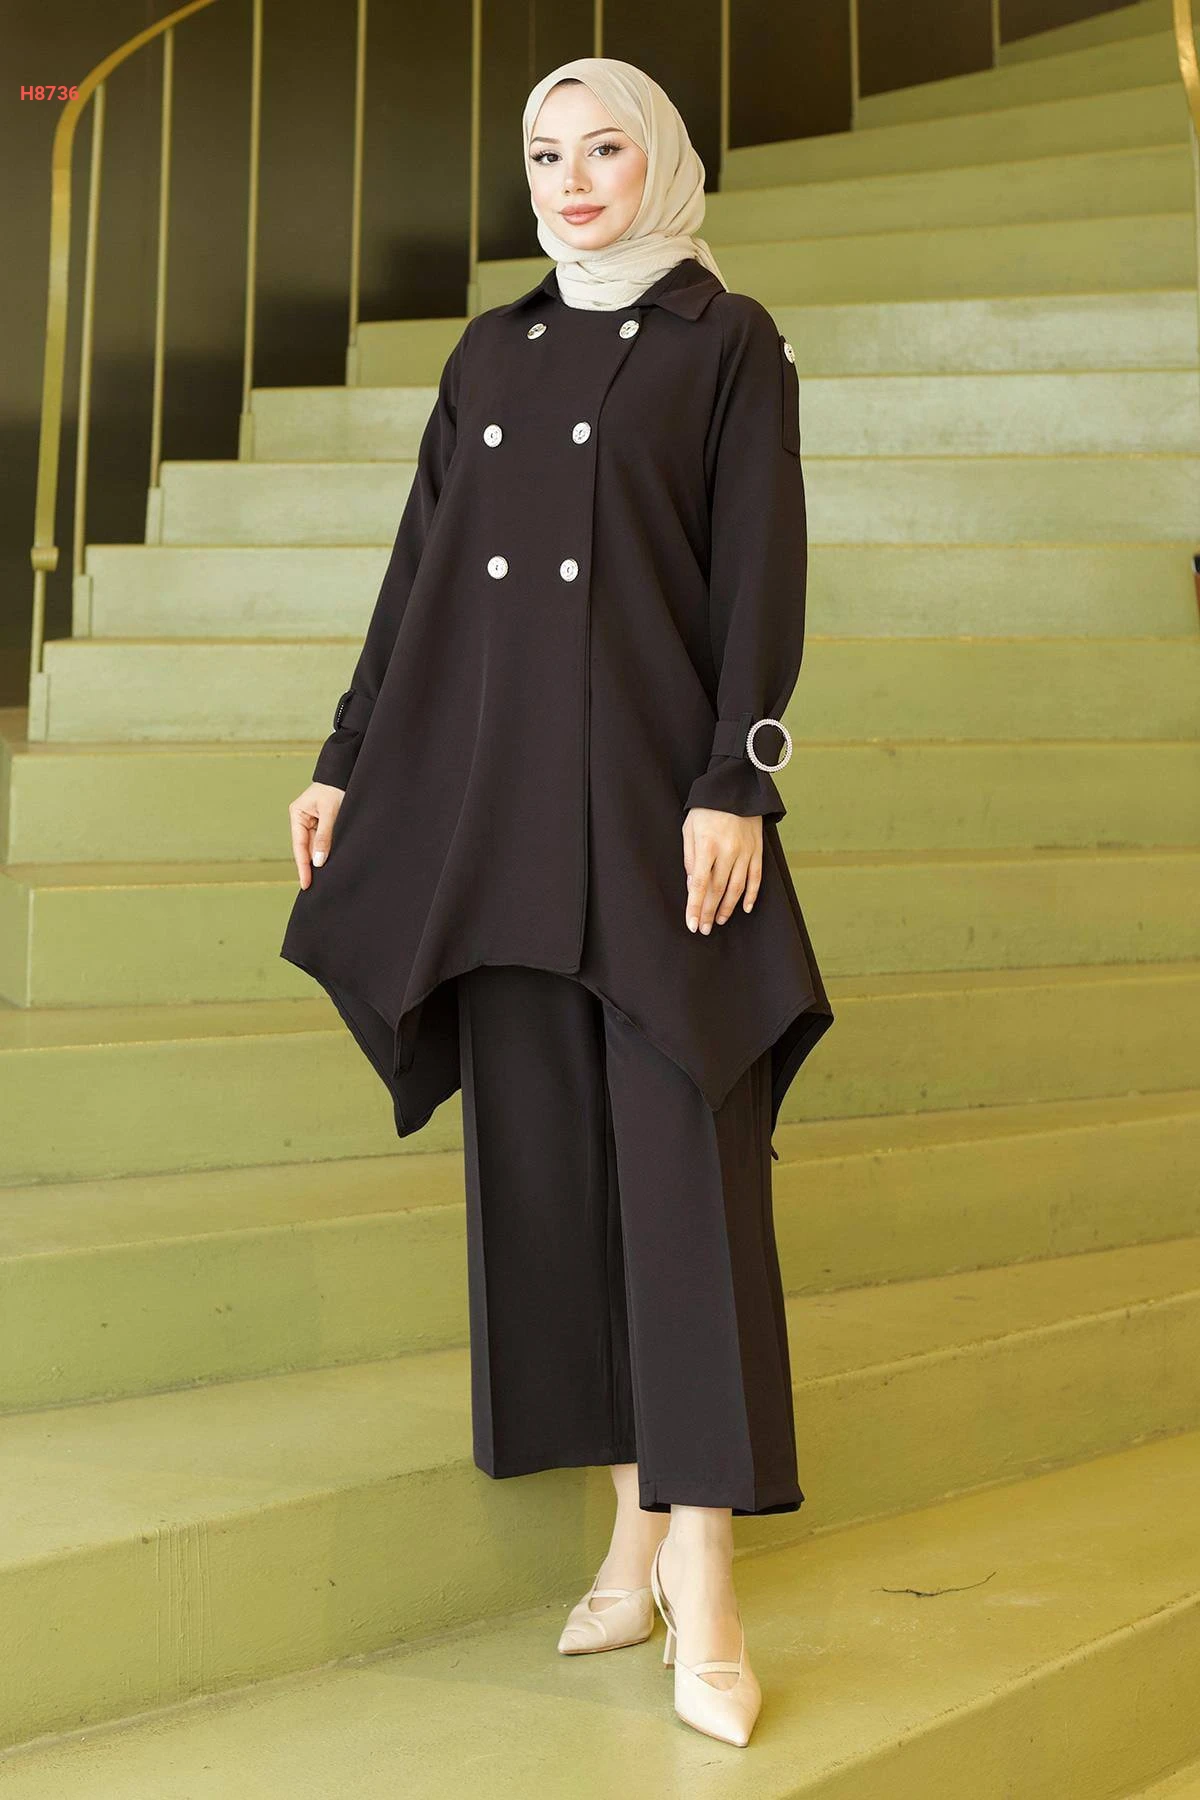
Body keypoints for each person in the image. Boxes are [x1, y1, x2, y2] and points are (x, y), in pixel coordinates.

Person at [281, 55, 834, 1749]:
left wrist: (737, 778)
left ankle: (708, 1588)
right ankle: (627, 1540)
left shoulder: (726, 341)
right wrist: (347, 759)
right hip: (504, 823)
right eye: (544, 154)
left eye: (604, 149)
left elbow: (761, 571)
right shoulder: (490, 353)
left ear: (659, 161)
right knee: (554, 1196)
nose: (572, 180)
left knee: (683, 1198)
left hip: (663, 831)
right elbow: (421, 574)